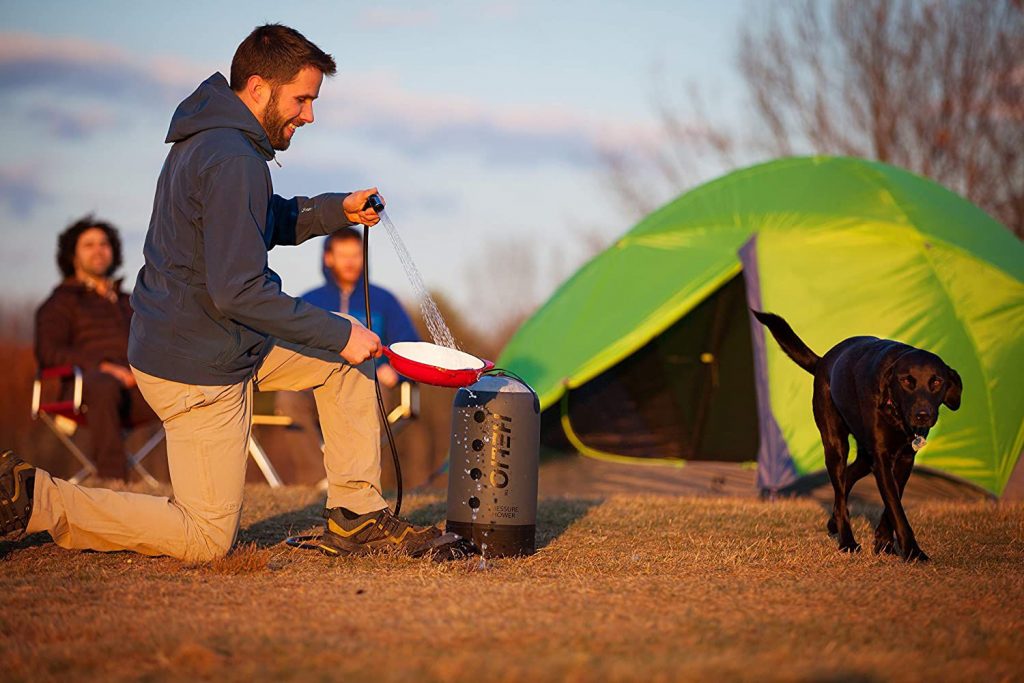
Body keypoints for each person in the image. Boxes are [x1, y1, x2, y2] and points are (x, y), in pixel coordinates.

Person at [1, 24, 448, 560]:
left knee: (343, 360)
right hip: (196, 363)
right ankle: (33, 500)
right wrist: (336, 330)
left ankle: (355, 515)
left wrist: (337, 209)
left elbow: (260, 219)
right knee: (205, 538)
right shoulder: (234, 158)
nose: (309, 115)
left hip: (221, 337)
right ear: (259, 88)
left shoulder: (216, 141)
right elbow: (239, 290)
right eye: (302, 99)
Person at [274, 228, 420, 466]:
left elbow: (410, 347)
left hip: (369, 381)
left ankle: (357, 479)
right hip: (314, 383)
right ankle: (317, 482)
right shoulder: (309, 301)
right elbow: (289, 346)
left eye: (356, 255)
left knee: (375, 396)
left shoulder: (384, 301)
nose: (351, 263)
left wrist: (395, 371)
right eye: (344, 255)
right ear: (328, 258)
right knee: (288, 398)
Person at [34, 216, 157, 481]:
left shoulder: (131, 301)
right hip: (84, 388)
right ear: (72, 255)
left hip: (137, 387)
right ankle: (114, 483)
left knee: (189, 389)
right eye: (88, 245)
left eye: (104, 243)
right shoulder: (60, 302)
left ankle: (198, 485)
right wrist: (105, 367)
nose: (98, 249)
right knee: (104, 384)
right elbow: (48, 351)